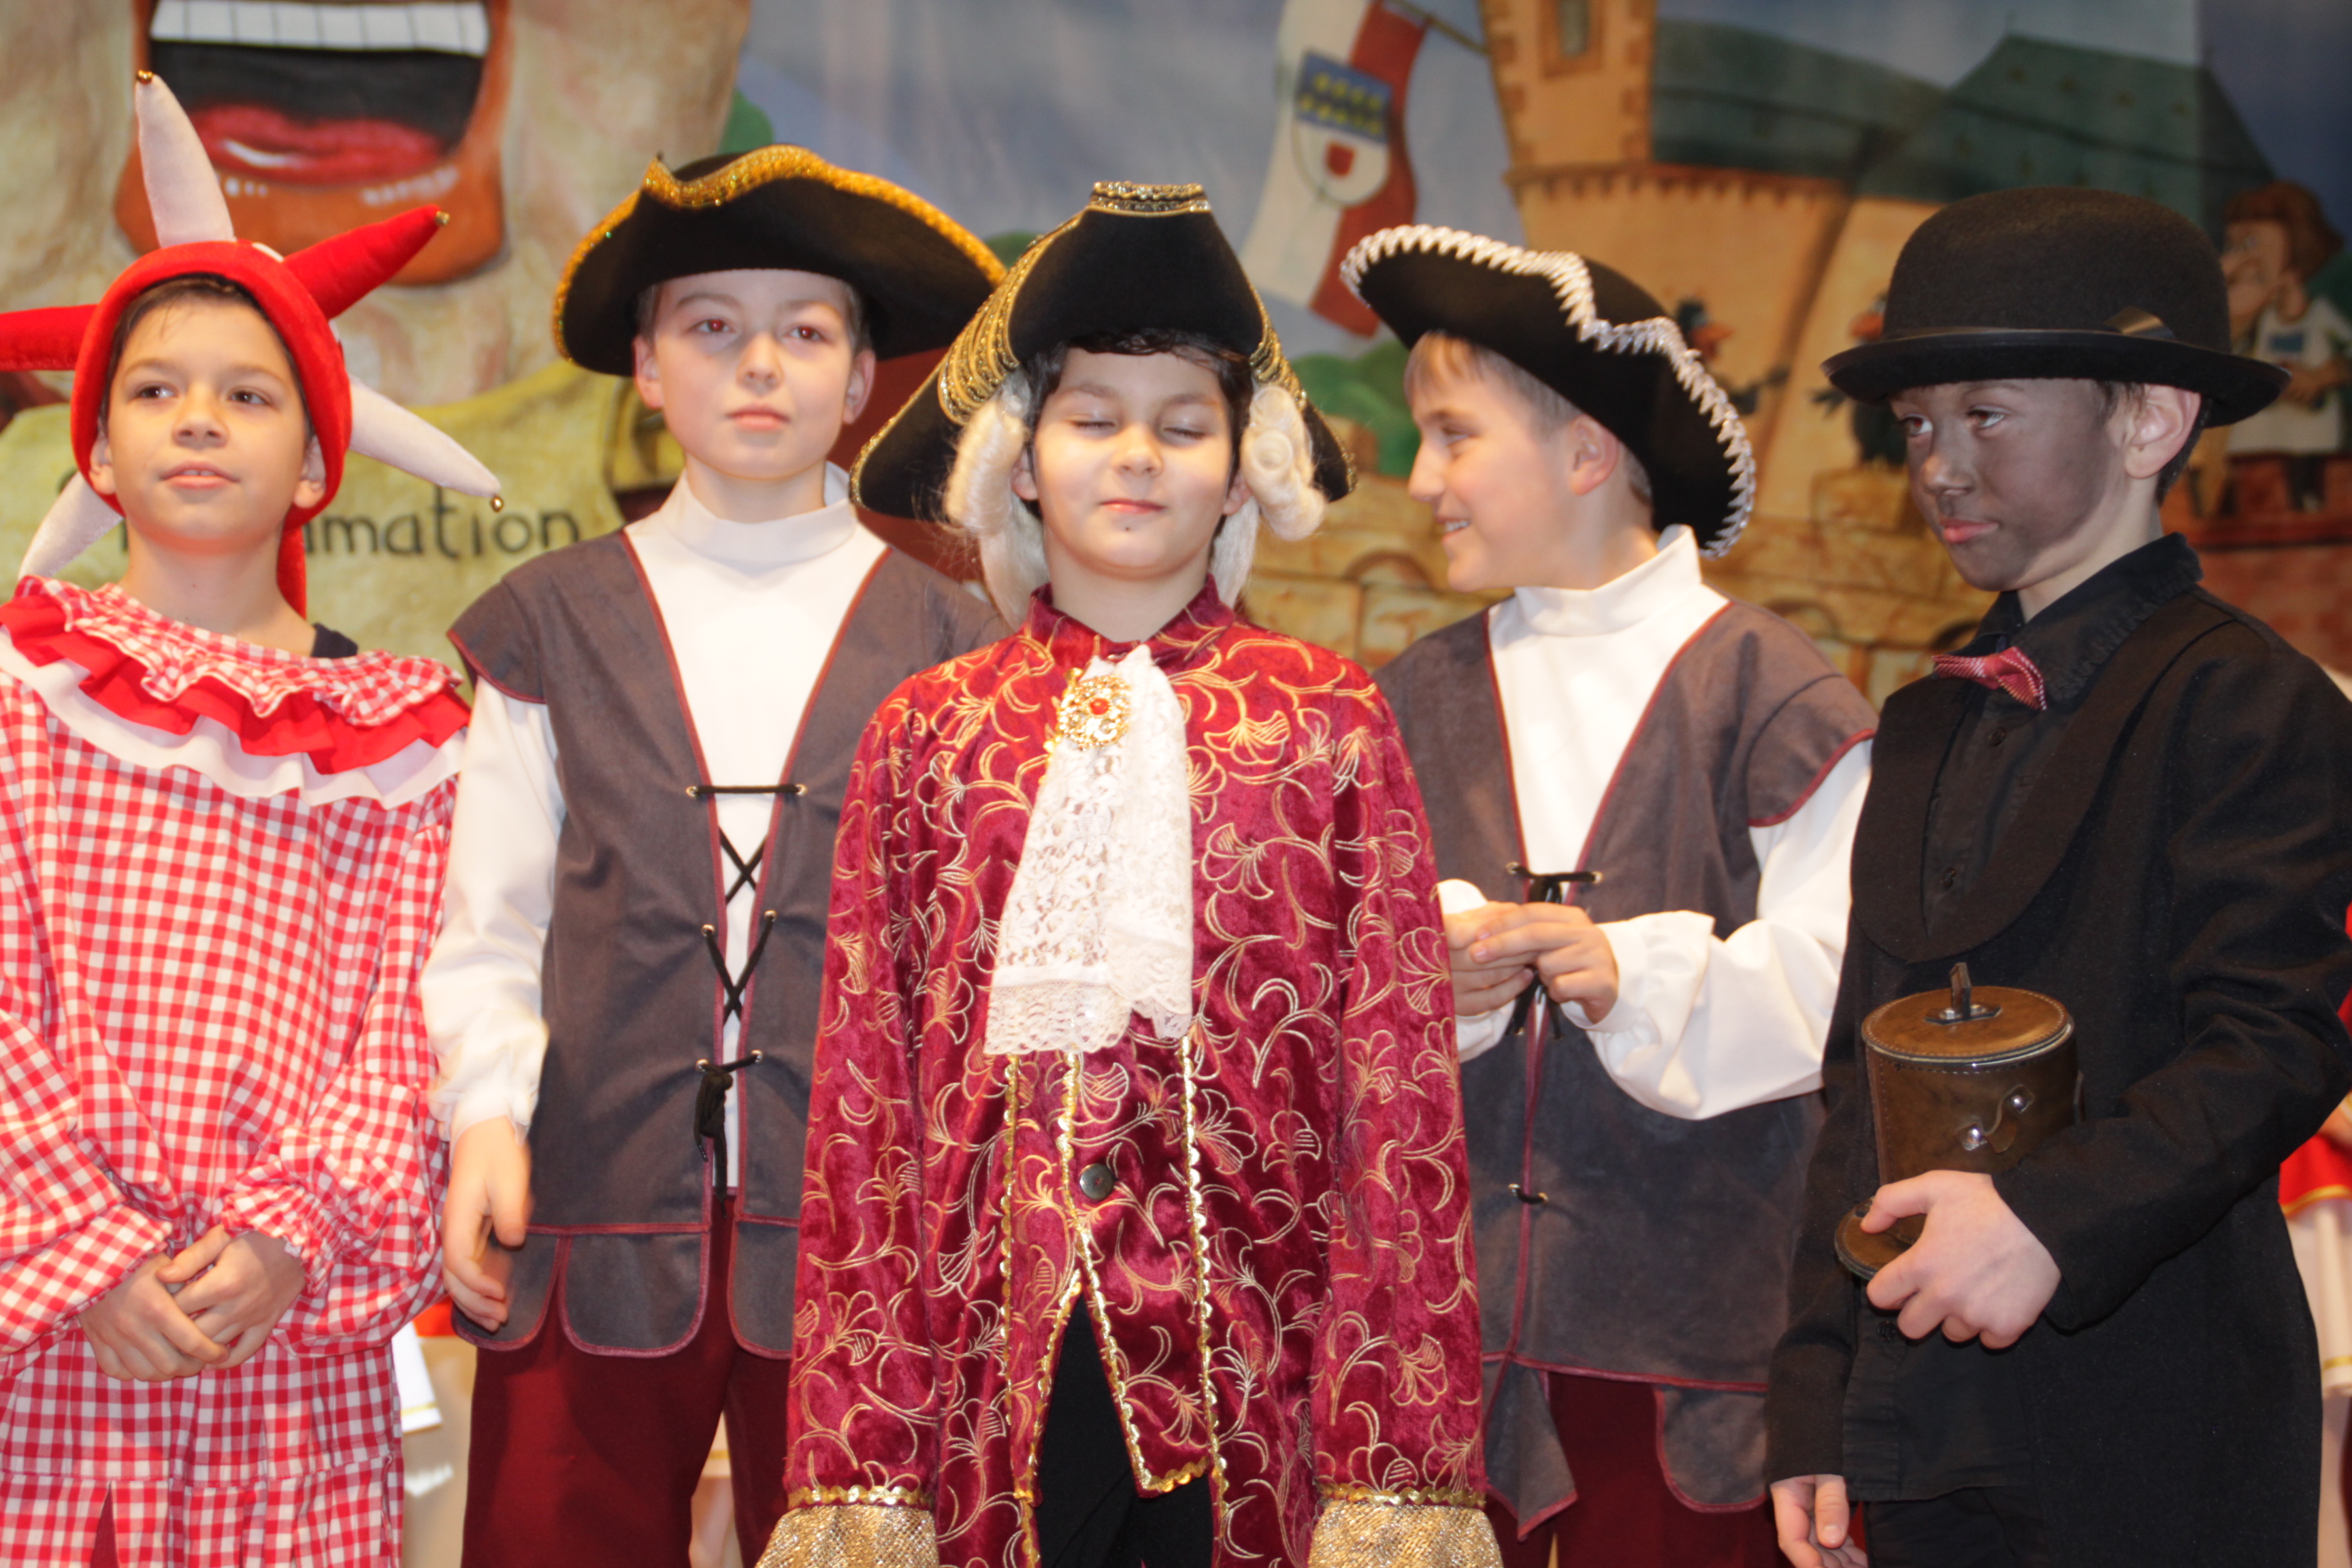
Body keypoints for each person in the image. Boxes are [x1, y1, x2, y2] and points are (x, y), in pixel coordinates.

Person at [760, 182, 1497, 1568]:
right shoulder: (929, 734)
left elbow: (1397, 1094)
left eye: (1184, 425)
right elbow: (866, 1108)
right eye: (1093, 418)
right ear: (1023, 461)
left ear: (1241, 470)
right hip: (982, 1381)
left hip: (1266, 1381)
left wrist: (1392, 1458)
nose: (1139, 455)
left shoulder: (1328, 724)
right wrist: (865, 1458)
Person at [418, 146, 1005, 1566]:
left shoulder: (960, 641)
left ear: (859, 380)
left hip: (870, 1229)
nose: (759, 365)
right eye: (711, 326)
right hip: (591, 1198)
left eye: (804, 331)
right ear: (645, 365)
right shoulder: (549, 621)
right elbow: (490, 921)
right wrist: (485, 1119)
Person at [1765, 186, 2352, 1568]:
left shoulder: (2249, 700)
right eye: (1918, 426)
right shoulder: (1924, 721)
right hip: (1919, 1415)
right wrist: (1814, 1395)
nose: (1938, 466)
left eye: (1986, 415)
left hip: (2155, 1404)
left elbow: (2272, 1039)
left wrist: (2046, 1220)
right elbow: (1858, 1074)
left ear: (2150, 423)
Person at [0, 74, 496, 1566]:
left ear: (320, 460)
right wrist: (80, 1252)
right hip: (45, 1327)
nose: (200, 420)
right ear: (97, 453)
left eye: (250, 394)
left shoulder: (411, 739)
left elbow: (416, 1017)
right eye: (155, 391)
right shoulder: (22, 685)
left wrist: (294, 1232)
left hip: (287, 1346)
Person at [1343, 227, 1876, 1565]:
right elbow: (1331, 980)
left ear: (1586, 453)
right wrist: (1437, 982)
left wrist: (1639, 977)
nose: (1422, 481)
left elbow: (1846, 988)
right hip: (1446, 1344)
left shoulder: (1772, 691)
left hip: (1691, 1352)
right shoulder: (1411, 696)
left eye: (1454, 438)